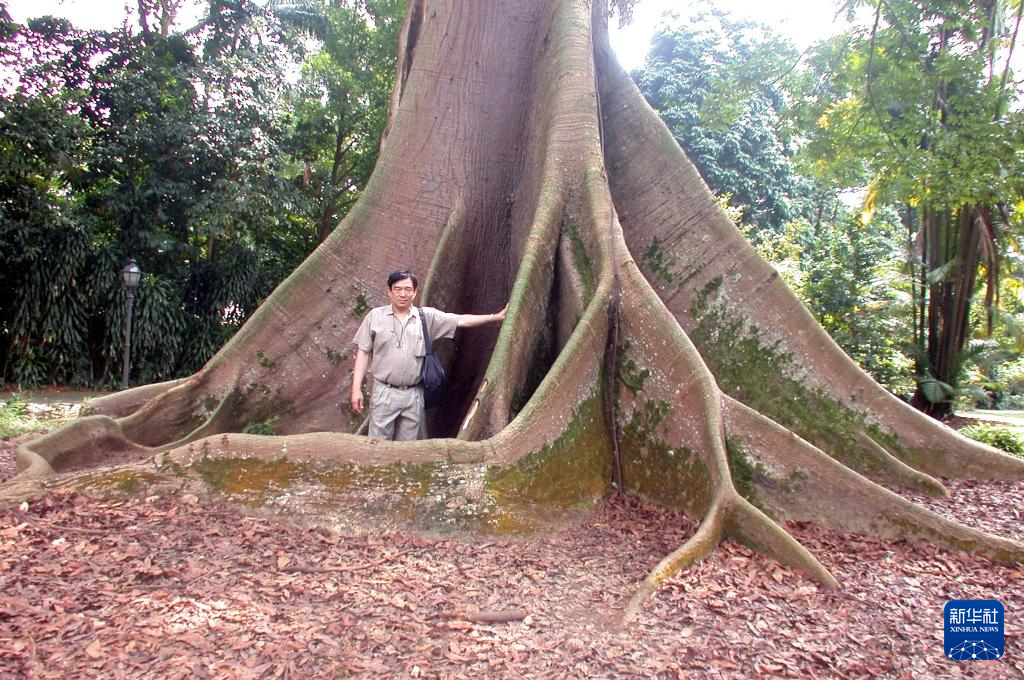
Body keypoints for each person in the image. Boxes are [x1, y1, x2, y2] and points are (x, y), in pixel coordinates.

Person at [350, 270, 506, 440]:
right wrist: (356, 389)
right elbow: (363, 352)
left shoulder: (426, 317)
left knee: (408, 447)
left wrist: (494, 317)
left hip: (414, 394)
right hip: (384, 392)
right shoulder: (375, 317)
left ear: (415, 292)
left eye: (408, 289)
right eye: (398, 289)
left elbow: (459, 320)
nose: (403, 294)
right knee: (377, 444)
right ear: (389, 291)